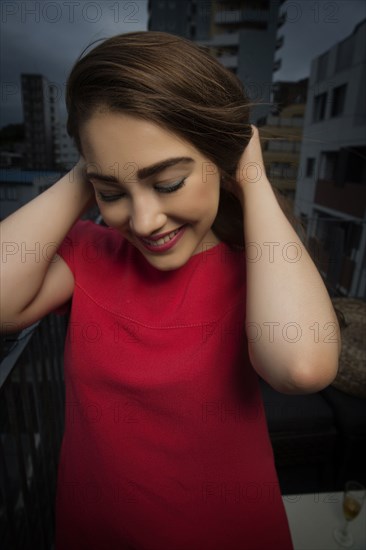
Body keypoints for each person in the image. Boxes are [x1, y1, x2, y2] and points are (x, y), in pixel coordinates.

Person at [0, 32, 341, 550]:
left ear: (219, 158)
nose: (143, 219)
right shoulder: (91, 254)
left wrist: (251, 178)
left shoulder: (258, 272)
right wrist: (93, 164)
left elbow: (302, 367)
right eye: (113, 193)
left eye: (167, 183)